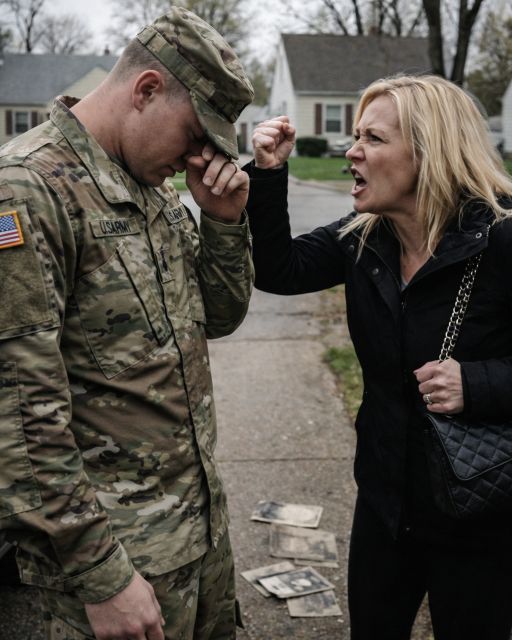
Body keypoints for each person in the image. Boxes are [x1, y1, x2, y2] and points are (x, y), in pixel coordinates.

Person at [0, 7, 254, 640]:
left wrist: (222, 222)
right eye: (195, 134)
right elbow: (21, 413)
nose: (199, 156)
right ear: (146, 90)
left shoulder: (152, 186)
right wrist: (101, 575)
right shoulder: (27, 190)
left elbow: (218, 318)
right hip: (117, 563)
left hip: (198, 531)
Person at [244, 74, 512, 640]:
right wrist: (267, 175)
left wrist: (479, 383)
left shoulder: (502, 238)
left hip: (483, 508)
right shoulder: (364, 237)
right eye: (355, 136)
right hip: (386, 501)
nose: (352, 151)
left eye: (373, 138)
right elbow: (279, 270)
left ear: (430, 152)